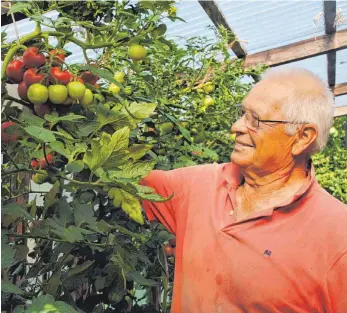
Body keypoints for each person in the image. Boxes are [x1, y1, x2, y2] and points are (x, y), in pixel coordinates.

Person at [141, 68, 347, 313]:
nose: (236, 127)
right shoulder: (198, 186)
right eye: (242, 114)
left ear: (302, 137)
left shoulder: (337, 237)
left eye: (255, 119)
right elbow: (119, 174)